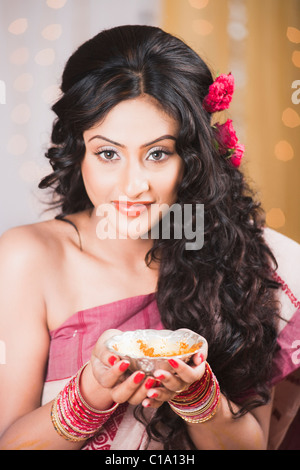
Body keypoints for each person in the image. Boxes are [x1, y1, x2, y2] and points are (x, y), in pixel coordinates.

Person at [0, 25, 299, 451]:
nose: (133, 185)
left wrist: (197, 396)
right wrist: (90, 393)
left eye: (157, 153)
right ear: (77, 150)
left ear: (192, 158)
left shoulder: (243, 257)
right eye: (108, 153)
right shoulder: (28, 257)